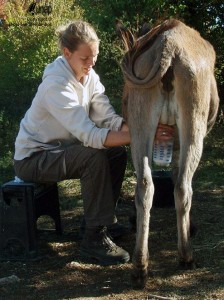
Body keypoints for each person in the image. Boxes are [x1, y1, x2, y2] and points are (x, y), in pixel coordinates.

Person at [13, 20, 173, 266]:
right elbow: (90, 135)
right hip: (32, 159)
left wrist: (143, 128)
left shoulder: (89, 77)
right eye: (85, 58)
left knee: (116, 154)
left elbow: (107, 118)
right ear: (67, 54)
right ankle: (93, 239)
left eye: (94, 57)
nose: (91, 63)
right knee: (94, 156)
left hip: (59, 152)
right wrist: (146, 134)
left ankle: (101, 221)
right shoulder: (56, 85)